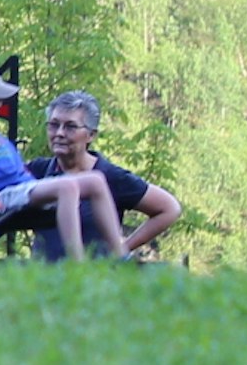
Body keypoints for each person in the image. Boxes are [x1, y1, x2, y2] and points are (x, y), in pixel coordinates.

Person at [0, 59, 129, 259]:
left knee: (96, 180)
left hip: (23, 188)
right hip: (1, 200)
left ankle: (120, 256)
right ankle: (77, 264)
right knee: (67, 187)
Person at [28, 91, 177, 262]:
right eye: (53, 125)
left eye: (70, 127)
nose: (59, 133)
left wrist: (121, 249)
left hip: (94, 281)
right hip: (42, 280)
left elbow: (169, 209)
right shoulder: (38, 171)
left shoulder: (109, 177)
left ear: (91, 135)